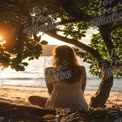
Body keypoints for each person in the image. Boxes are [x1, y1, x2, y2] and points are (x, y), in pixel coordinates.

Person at [28, 45, 88, 111]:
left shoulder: (49, 71)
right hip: (79, 107)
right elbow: (82, 91)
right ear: (72, 56)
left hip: (56, 107)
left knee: (31, 98)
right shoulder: (81, 69)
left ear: (56, 56)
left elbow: (50, 92)